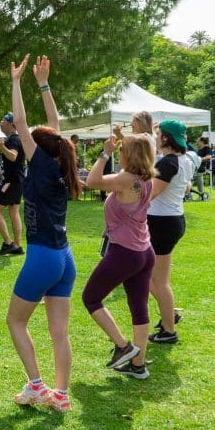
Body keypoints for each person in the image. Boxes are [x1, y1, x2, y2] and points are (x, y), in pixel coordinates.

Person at [3, 54, 82, 412]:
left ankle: (37, 386)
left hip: (44, 257)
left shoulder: (40, 163)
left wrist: (17, 81)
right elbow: (53, 124)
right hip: (65, 258)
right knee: (59, 332)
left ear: (38, 146)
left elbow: (20, 121)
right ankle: (61, 396)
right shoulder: (60, 159)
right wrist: (44, 84)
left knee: (15, 320)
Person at [82, 133, 156, 375]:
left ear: (129, 155)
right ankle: (138, 365)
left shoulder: (125, 179)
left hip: (125, 252)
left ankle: (123, 346)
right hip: (144, 251)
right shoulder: (148, 179)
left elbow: (91, 181)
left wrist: (105, 153)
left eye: (123, 150)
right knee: (139, 307)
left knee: (91, 298)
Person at [140, 120, 195, 360]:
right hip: (172, 219)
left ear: (166, 139)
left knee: (156, 282)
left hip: (162, 223)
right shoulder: (185, 160)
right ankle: (169, 315)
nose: (157, 138)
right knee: (158, 280)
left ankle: (169, 326)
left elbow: (149, 193)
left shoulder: (168, 163)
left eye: (159, 135)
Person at [0, 112, 25, 257]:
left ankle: (8, 243)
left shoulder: (13, 139)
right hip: (16, 181)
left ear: (11, 124)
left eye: (4, 120)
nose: (1, 122)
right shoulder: (15, 138)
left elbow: (12, 156)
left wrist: (1, 147)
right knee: (13, 212)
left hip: (11, 182)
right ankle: (17, 245)